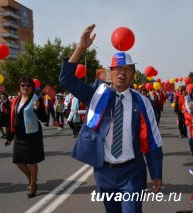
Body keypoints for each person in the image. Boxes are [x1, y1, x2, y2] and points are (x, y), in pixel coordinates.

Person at [59, 24, 163, 213]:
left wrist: (156, 173)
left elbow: (153, 141)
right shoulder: (96, 94)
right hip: (104, 172)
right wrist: (80, 48)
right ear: (110, 72)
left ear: (132, 74)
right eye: (117, 69)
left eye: (127, 69)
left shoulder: (142, 103)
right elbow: (66, 79)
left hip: (131, 173)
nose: (121, 73)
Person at [5, 76, 48, 198]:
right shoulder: (16, 100)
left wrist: (38, 108)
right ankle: (31, 177)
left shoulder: (36, 99)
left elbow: (45, 119)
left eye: (29, 85)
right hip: (19, 135)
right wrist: (9, 137)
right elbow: (13, 119)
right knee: (18, 161)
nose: (25, 87)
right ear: (19, 87)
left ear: (32, 87)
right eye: (23, 85)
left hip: (32, 135)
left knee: (32, 161)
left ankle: (33, 185)